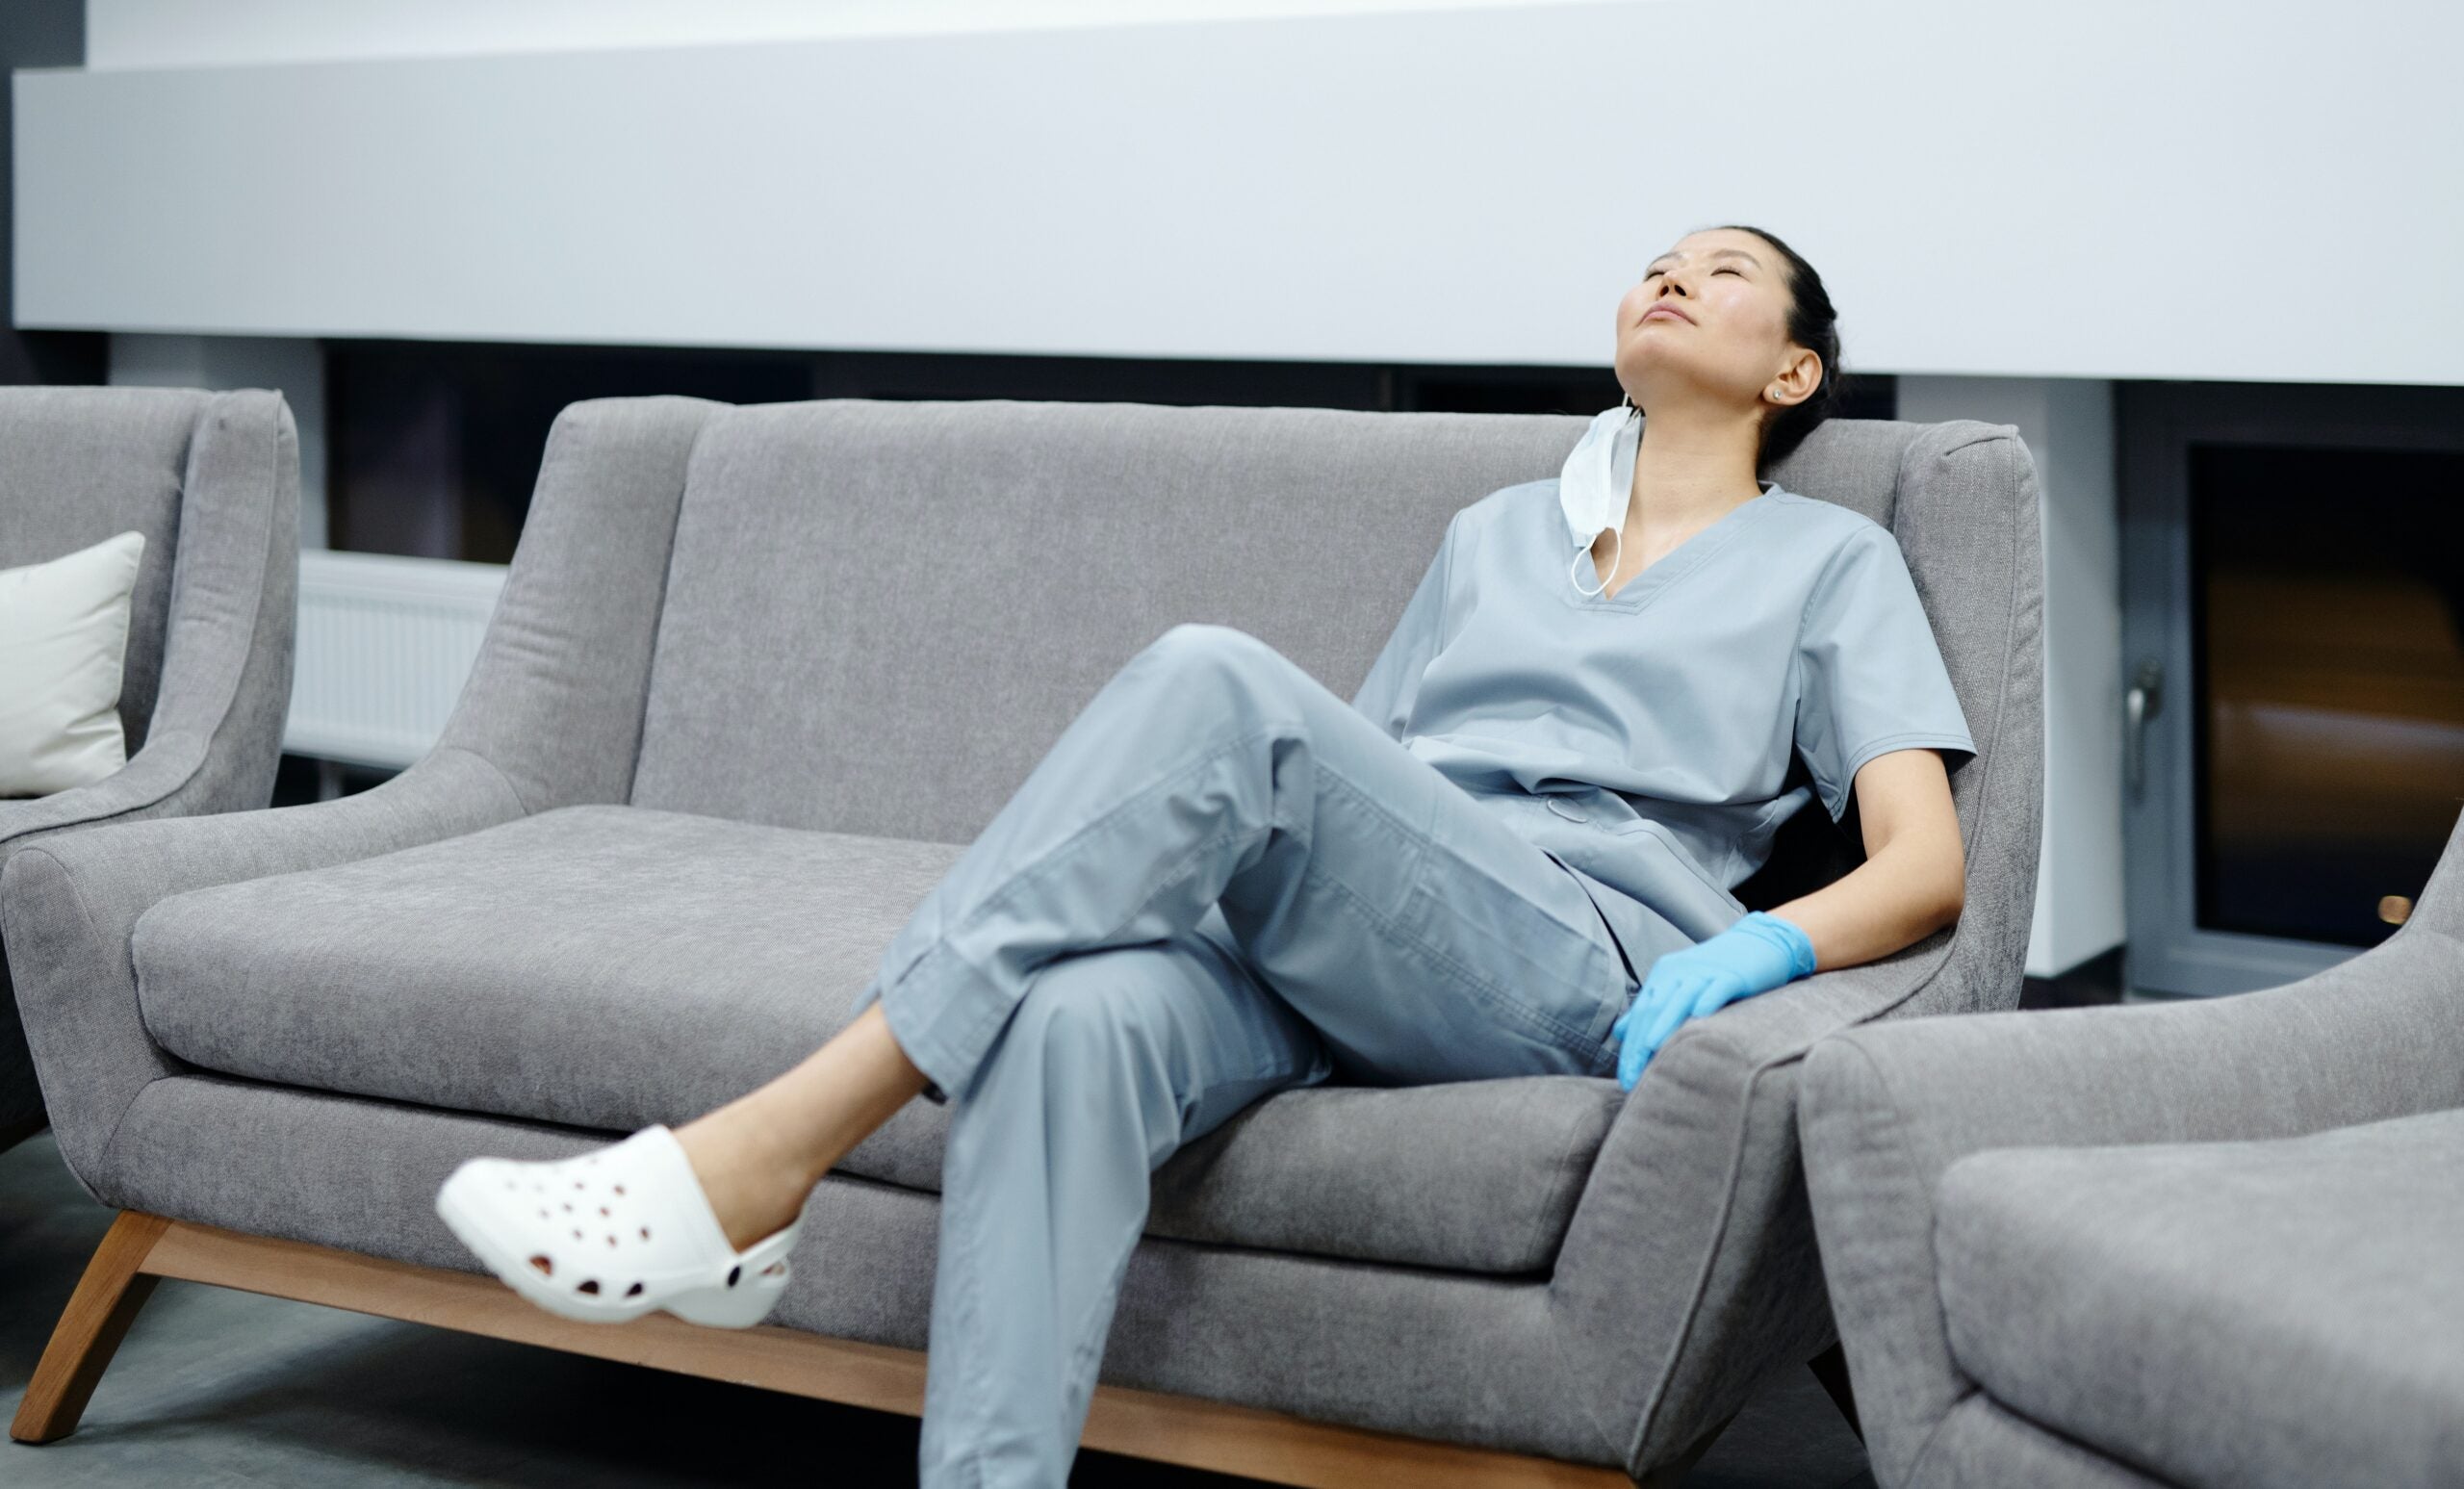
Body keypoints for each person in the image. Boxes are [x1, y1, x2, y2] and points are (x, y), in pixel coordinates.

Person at [434, 224, 1977, 1486]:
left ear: (1793, 367)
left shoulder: (1830, 559)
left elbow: (1924, 862)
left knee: (1214, 678)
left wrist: (1758, 946)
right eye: (1654, 260)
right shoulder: (1494, 535)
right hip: (1388, 925)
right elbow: (1363, 774)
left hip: (1577, 947)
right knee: (1074, 1017)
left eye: (1717, 271)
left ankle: (761, 1158)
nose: (1667, 276)